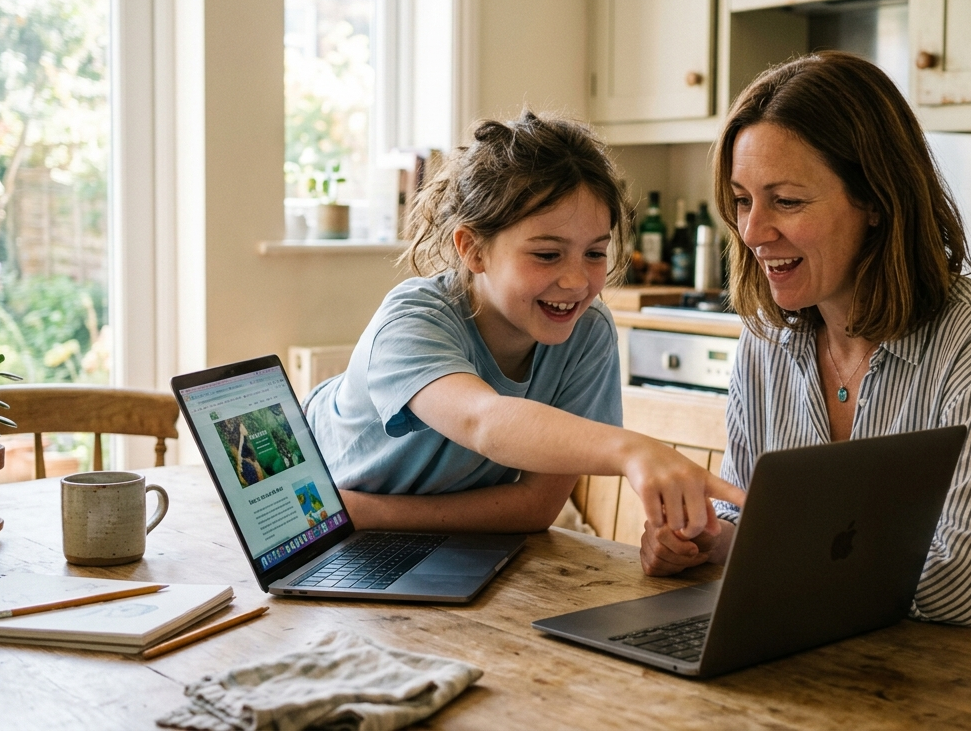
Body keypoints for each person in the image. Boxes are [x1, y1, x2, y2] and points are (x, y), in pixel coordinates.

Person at [638, 52, 971, 648]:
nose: (752, 231)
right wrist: (707, 538)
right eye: (742, 200)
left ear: (875, 199)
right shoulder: (768, 335)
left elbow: (964, 587)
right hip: (823, 654)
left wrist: (767, 552)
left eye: (786, 201)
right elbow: (748, 511)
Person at [306, 111, 744, 537]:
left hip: (381, 528)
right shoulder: (412, 321)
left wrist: (367, 514)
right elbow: (484, 421)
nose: (576, 282)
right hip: (314, 526)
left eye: (594, 253)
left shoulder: (587, 332)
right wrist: (632, 449)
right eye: (547, 254)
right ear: (473, 249)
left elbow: (536, 507)